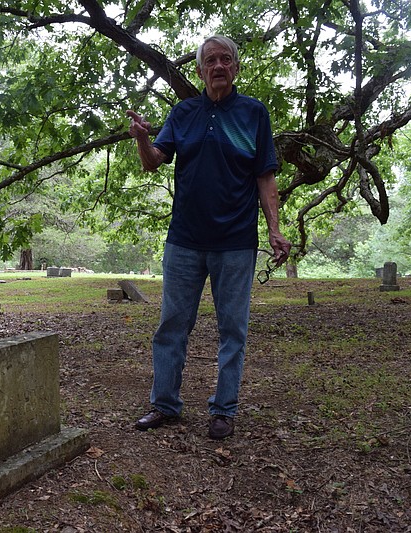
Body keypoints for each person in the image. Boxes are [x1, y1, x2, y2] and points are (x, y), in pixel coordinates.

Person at [127, 35, 291, 439]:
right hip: (184, 240)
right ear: (200, 71)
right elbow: (153, 163)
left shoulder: (254, 113)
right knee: (171, 325)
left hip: (236, 242)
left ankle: (224, 409)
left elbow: (264, 176)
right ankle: (164, 405)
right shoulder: (183, 113)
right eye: (210, 61)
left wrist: (274, 228)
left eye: (226, 59)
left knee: (232, 328)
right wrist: (143, 138)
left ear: (235, 68)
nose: (218, 66)